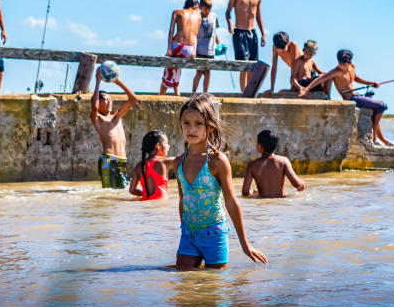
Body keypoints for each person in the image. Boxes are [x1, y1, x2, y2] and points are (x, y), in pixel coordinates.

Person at [173, 94, 267, 269]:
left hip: (214, 234)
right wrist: (184, 231)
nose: (191, 129)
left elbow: (231, 202)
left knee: (214, 285)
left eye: (198, 123)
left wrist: (245, 244)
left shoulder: (217, 161)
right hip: (189, 234)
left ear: (210, 127)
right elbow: (182, 200)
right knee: (183, 278)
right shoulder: (178, 162)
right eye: (186, 123)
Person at [299, 49, 394, 146]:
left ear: (350, 63)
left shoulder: (352, 66)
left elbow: (355, 77)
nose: (340, 66)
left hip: (357, 95)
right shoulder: (336, 71)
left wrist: (370, 83)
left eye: (343, 64)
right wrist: (306, 90)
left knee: (377, 109)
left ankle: (383, 140)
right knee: (382, 105)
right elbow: (320, 79)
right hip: (351, 98)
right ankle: (375, 138)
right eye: (339, 63)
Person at [91, 68, 138, 189]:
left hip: (122, 161)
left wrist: (118, 81)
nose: (109, 102)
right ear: (98, 102)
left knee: (122, 193)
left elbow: (133, 99)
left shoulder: (117, 116)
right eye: (105, 100)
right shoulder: (98, 119)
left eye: (110, 100)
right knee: (109, 194)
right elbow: (94, 107)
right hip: (108, 161)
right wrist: (97, 82)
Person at [225, 0, 265, 91]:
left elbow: (258, 16)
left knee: (253, 66)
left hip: (252, 33)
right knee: (243, 65)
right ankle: (243, 92)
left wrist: (263, 34)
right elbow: (228, 12)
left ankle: (250, 92)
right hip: (239, 32)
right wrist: (230, 22)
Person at [242, 130, 306, 198]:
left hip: (263, 204)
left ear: (260, 146)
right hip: (281, 203)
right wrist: (301, 183)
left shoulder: (252, 165)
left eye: (257, 143)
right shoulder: (284, 161)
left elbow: (245, 192)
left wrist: (252, 192)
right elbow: (296, 183)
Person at [161, 0, 201, 96]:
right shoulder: (198, 15)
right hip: (190, 49)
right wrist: (194, 52)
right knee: (177, 69)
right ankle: (177, 94)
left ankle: (160, 96)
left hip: (177, 46)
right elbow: (195, 35)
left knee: (168, 71)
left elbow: (171, 31)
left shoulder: (177, 12)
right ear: (196, 6)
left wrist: (169, 50)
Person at [128, 130, 175, 200]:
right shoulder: (165, 162)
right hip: (161, 206)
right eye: (166, 143)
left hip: (145, 206)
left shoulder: (139, 166)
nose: (168, 146)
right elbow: (185, 160)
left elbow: (132, 190)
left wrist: (144, 193)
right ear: (158, 146)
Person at [192, 0, 221, 93]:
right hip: (200, 49)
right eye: (205, 9)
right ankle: (194, 92)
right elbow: (194, 34)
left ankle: (205, 93)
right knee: (199, 72)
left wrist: (219, 44)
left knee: (208, 73)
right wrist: (194, 51)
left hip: (210, 50)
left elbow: (214, 31)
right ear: (201, 7)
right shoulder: (197, 17)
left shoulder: (213, 16)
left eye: (209, 9)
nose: (207, 11)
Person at [264, 32, 300, 97]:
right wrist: (272, 89)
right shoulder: (275, 48)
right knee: (280, 93)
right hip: (294, 76)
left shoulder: (293, 46)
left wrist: (293, 86)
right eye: (279, 47)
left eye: (283, 46)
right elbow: (274, 68)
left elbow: (295, 67)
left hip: (304, 73)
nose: (281, 49)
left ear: (288, 43)